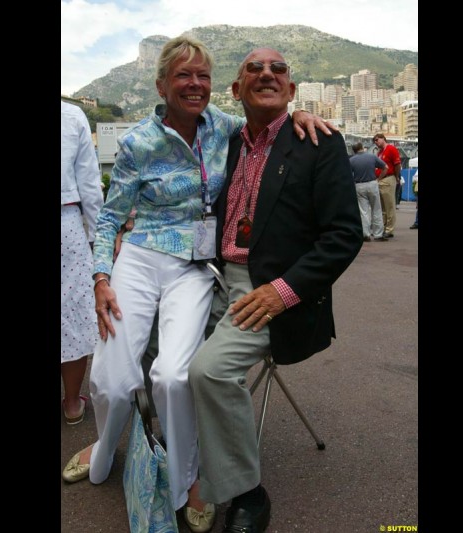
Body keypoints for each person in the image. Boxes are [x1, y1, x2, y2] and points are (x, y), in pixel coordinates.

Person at [61, 36, 335, 533]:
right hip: (141, 258)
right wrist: (101, 278)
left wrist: (298, 116)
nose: (194, 84)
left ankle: (188, 479)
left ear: (216, 86)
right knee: (113, 379)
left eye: (202, 76)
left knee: (171, 376)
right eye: (183, 76)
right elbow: (108, 220)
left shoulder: (224, 128)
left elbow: (268, 121)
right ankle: (103, 447)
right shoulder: (138, 141)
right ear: (162, 84)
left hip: (193, 266)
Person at [188, 47, 363, 533]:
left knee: (208, 371)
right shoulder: (224, 140)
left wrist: (282, 292)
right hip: (211, 278)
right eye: (254, 68)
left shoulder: (319, 142)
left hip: (269, 290)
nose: (267, 73)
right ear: (235, 89)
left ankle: (247, 491)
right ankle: (183, 464)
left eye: (279, 69)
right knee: (153, 353)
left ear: (290, 89)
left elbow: (345, 235)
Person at [60, 101, 104, 425]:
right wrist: (102, 242)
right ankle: (73, 403)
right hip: (66, 225)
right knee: (72, 316)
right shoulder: (71, 116)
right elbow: (90, 186)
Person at [349, 141, 388, 242]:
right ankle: (378, 234)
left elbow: (348, 174)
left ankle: (365, 234)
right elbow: (385, 167)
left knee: (363, 211)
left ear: (354, 150)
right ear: (362, 147)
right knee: (376, 209)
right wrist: (379, 179)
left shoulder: (351, 160)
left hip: (359, 185)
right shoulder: (372, 157)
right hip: (372, 183)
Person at [372, 133, 401, 239]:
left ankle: (389, 230)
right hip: (381, 180)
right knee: (383, 207)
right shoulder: (379, 152)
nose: (376, 142)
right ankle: (384, 228)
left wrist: (396, 177)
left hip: (388, 178)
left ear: (383, 138)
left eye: (377, 139)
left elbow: (397, 164)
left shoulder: (391, 149)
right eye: (374, 141)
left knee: (389, 206)